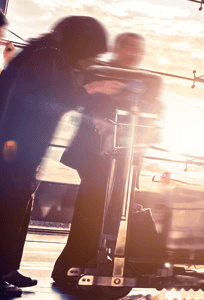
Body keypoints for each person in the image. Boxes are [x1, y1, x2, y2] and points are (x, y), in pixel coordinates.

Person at [0, 16, 119, 298]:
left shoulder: (43, 51)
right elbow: (51, 98)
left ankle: (6, 269)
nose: (90, 61)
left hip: (19, 144)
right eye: (91, 53)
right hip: (16, 146)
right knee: (8, 208)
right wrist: (92, 89)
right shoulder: (49, 55)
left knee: (17, 207)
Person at [51, 32, 159, 286]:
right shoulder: (102, 74)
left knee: (107, 211)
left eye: (137, 49)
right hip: (96, 155)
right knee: (93, 208)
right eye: (127, 48)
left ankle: (89, 262)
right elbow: (87, 106)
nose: (132, 53)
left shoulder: (140, 81)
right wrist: (101, 123)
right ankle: (75, 264)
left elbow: (148, 117)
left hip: (121, 155)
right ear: (116, 49)